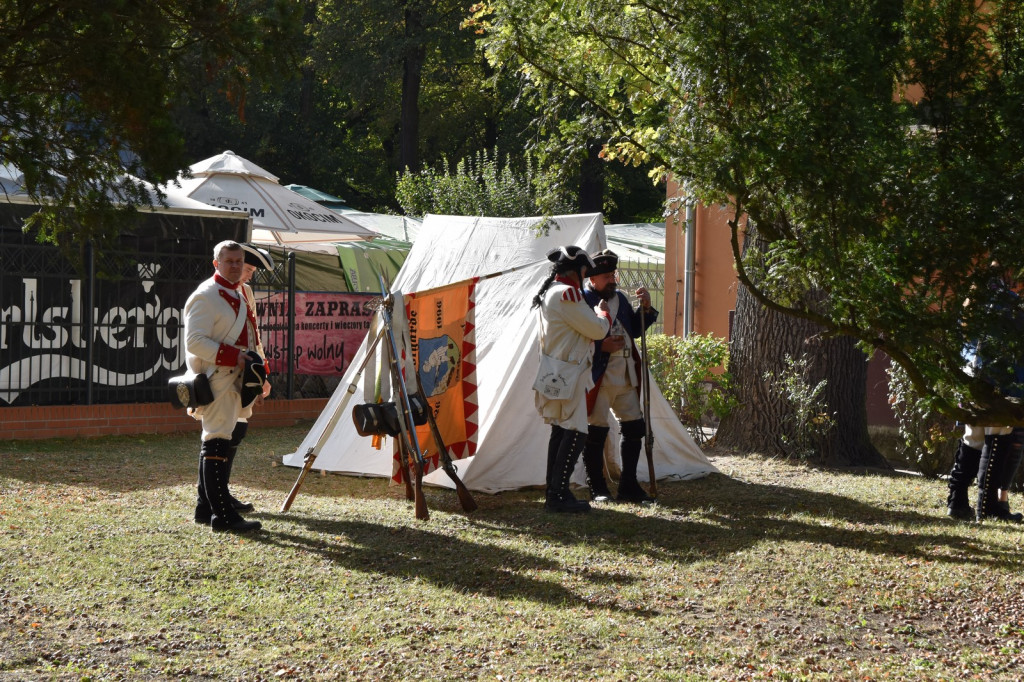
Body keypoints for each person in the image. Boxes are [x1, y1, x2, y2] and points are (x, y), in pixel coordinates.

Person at [184, 240, 267, 533]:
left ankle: (206, 508)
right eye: (228, 261)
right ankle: (223, 516)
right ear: (216, 264)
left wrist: (261, 372)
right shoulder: (205, 296)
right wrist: (235, 356)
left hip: (237, 378)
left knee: (223, 438)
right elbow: (194, 342)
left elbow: (251, 337)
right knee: (216, 441)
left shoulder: (240, 293)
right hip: (217, 378)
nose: (234, 266)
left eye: (238, 261)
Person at [532, 246, 610, 513]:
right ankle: (558, 494)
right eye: (584, 271)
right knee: (575, 430)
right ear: (576, 271)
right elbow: (597, 330)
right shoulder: (568, 294)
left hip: (557, 371)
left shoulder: (553, 292)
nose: (585, 275)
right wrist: (603, 313)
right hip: (569, 373)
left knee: (562, 429)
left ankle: (555, 492)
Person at [580, 249, 658, 503]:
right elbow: (573, 339)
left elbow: (635, 330)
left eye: (612, 274)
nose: (612, 280)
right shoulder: (581, 300)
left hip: (626, 374)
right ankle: (597, 487)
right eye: (605, 276)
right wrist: (600, 346)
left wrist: (645, 308)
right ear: (592, 279)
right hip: (598, 375)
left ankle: (628, 485)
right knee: (596, 431)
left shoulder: (621, 299)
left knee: (634, 426)